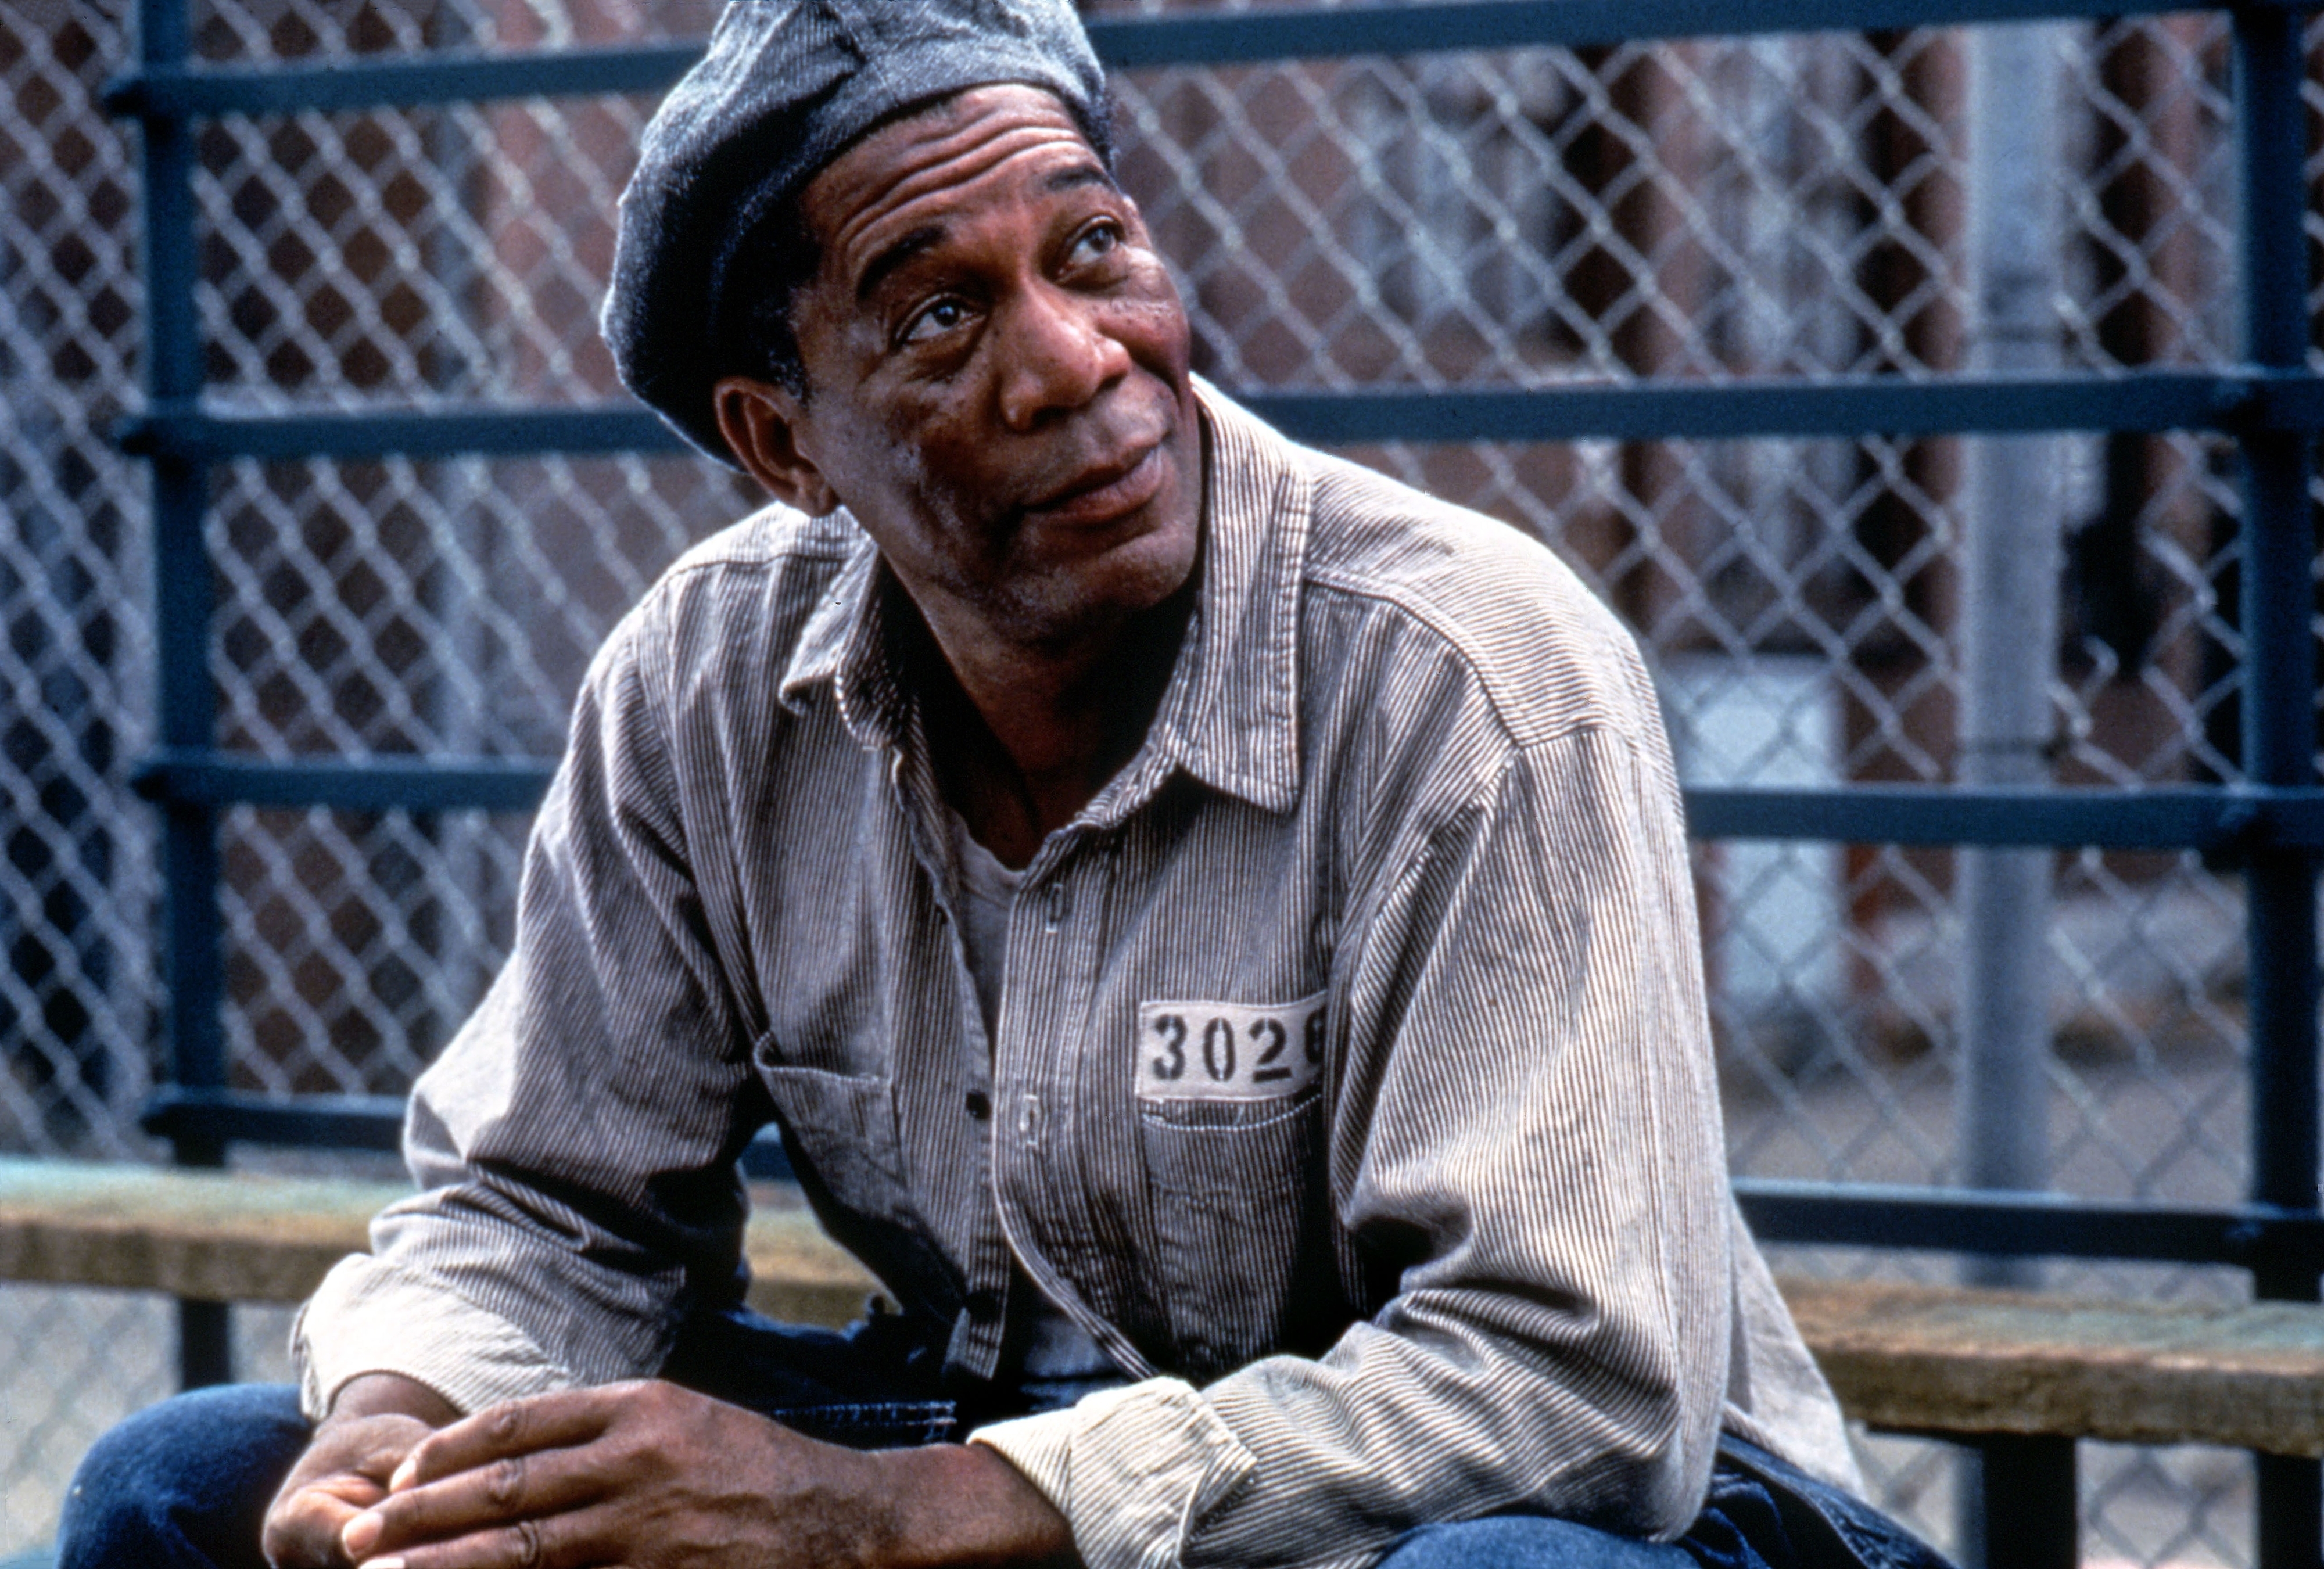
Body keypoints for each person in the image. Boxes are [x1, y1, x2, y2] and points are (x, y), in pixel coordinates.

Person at [59, 4, 1954, 1568]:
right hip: (985, 1451)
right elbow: (545, 1207)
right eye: (938, 317)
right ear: (782, 442)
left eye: (1093, 250)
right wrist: (398, 1426)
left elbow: (1575, 1390)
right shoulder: (705, 685)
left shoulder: (1466, 673)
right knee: (185, 1486)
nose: (1072, 362)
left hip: (1566, 1519)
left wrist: (884, 1520)